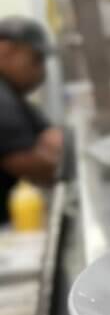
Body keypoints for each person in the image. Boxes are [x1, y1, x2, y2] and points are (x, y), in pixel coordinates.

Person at [0, 17, 63, 222]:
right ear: (6, 50)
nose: (41, 71)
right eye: (36, 59)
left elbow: (51, 136)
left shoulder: (12, 91)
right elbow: (30, 163)